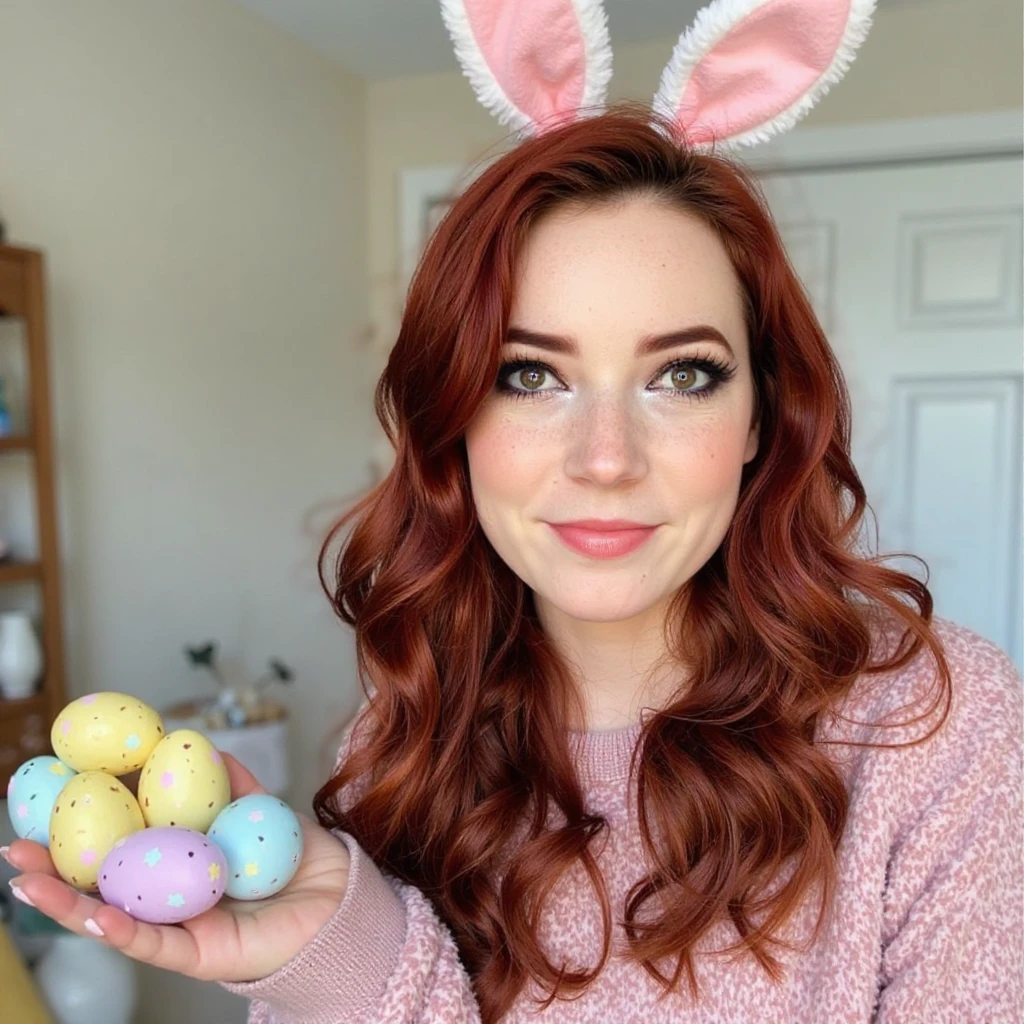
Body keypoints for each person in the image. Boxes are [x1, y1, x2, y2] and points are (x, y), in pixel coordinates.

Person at [5, 1, 1023, 1021]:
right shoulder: (398, 742)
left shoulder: (935, 735)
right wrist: (341, 954)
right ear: (452, 417)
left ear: (763, 415)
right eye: (529, 375)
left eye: (682, 374)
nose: (606, 459)